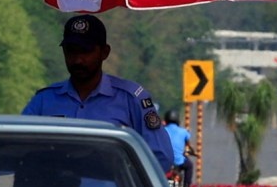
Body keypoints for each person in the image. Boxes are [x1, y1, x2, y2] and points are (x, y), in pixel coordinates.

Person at [23, 15, 168, 166]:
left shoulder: (132, 98)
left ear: (105, 52)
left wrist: (123, 174)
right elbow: (18, 147)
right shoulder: (44, 100)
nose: (78, 60)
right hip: (54, 181)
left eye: (86, 51)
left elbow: (160, 155)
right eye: (71, 51)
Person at [161, 110, 194, 187]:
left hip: (165, 160)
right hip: (179, 161)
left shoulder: (162, 130)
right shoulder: (183, 131)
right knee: (189, 166)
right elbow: (188, 144)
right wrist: (192, 151)